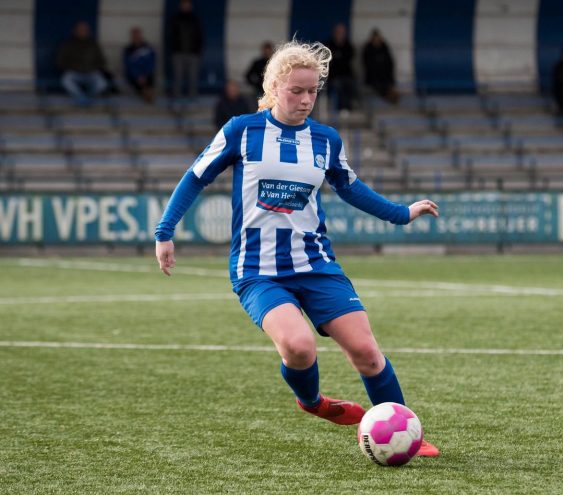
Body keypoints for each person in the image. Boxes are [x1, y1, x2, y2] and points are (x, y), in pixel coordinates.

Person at [154, 40, 440, 458]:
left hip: (317, 264)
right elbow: (195, 176)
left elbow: (351, 188)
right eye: (296, 91)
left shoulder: (325, 140)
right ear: (273, 87)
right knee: (299, 346)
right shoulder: (242, 130)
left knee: (365, 351)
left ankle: (404, 430)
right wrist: (165, 231)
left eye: (313, 92)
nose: (306, 100)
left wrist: (401, 213)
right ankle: (312, 402)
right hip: (258, 269)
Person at [56, 21, 108, 106]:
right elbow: (60, 61)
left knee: (102, 84)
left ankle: (89, 96)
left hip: (91, 72)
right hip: (74, 72)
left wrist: (93, 67)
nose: (83, 32)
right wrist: (73, 67)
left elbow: (102, 60)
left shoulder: (93, 44)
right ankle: (80, 96)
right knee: (66, 81)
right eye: (80, 30)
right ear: (75, 31)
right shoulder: (68, 44)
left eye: (85, 30)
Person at [169, 0, 204, 100]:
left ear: (191, 6)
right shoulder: (175, 18)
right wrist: (174, 49)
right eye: (184, 5)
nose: (186, 7)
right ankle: (176, 97)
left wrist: (198, 51)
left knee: (193, 77)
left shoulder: (195, 19)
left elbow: (200, 36)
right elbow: (171, 36)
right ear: (181, 6)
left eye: (188, 5)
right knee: (177, 77)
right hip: (178, 52)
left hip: (193, 53)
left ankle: (192, 97)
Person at [324, 23, 357, 111]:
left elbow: (348, 59)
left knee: (351, 85)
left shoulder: (348, 45)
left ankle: (348, 108)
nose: (340, 34)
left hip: (346, 75)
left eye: (342, 32)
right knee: (338, 86)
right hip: (333, 76)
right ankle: (342, 108)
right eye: (338, 32)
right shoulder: (329, 45)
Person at [362, 29, 397, 104]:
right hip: (373, 76)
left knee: (387, 83)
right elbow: (366, 63)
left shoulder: (384, 46)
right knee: (378, 85)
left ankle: (390, 95)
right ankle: (388, 96)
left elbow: (390, 62)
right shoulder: (368, 48)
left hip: (385, 75)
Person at [123, 27, 157, 103]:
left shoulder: (148, 48)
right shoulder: (128, 50)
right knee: (136, 81)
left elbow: (151, 62)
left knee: (150, 78)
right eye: (134, 35)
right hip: (135, 76)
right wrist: (138, 75)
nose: (136, 37)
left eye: (137, 35)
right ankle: (145, 94)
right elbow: (129, 65)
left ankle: (149, 93)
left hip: (146, 74)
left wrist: (145, 74)